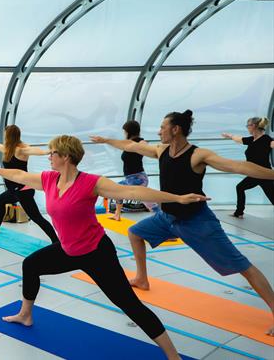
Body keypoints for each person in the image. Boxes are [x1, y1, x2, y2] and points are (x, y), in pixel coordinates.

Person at [0, 135, 207, 359]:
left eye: (52, 152)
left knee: (129, 305)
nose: (49, 156)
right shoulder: (49, 179)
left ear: (65, 156)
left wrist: (177, 198)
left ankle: (172, 356)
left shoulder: (91, 182)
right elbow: (19, 174)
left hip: (97, 253)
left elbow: (132, 191)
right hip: (68, 250)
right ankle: (25, 315)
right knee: (31, 264)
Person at [91, 110, 274, 336]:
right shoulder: (161, 150)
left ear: (175, 129)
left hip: (197, 222)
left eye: (162, 127)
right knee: (135, 232)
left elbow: (238, 166)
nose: (159, 131)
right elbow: (131, 146)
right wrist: (107, 140)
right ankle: (141, 278)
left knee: (244, 267)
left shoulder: (198, 155)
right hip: (166, 218)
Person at [0, 125, 58, 243]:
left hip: (24, 191)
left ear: (9, 135)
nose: (4, 136)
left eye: (5, 134)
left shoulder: (21, 150)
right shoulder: (7, 149)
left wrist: (46, 151)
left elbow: (33, 150)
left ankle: (56, 241)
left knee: (36, 218)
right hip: (13, 190)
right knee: (1, 199)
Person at [221, 116, 274, 218]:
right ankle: (239, 212)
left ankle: (239, 212)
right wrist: (230, 136)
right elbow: (239, 139)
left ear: (253, 126)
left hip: (264, 174)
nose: (247, 128)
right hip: (254, 174)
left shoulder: (266, 139)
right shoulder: (252, 140)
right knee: (240, 187)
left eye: (248, 126)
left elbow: (272, 144)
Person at [107, 120, 157, 221]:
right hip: (131, 179)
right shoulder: (128, 144)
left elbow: (145, 145)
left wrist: (145, 145)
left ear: (129, 131)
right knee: (116, 191)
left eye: (125, 131)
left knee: (148, 202)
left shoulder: (140, 142)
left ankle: (165, 218)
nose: (124, 133)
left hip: (138, 178)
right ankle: (117, 214)